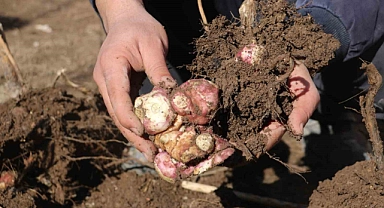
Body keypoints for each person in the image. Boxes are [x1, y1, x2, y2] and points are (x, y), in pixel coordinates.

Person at [89, 0, 384, 163]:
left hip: (307, 14)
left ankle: (342, 114)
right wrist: (121, 11)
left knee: (352, 70)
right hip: (180, 28)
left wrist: (309, 33)